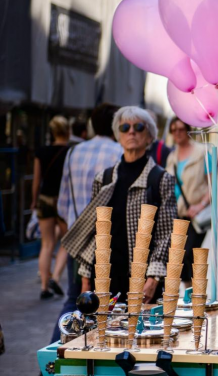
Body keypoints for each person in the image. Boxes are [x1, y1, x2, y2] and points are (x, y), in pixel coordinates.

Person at [63, 107, 177, 304]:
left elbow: (166, 235)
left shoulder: (160, 179)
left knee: (142, 334)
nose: (131, 132)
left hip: (142, 279)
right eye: (125, 127)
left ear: (149, 136)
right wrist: (85, 278)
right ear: (118, 135)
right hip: (105, 277)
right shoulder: (104, 178)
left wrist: (153, 278)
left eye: (138, 127)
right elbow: (94, 231)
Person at [52, 103, 121, 342]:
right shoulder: (119, 153)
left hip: (78, 236)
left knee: (74, 299)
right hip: (105, 239)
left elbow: (62, 202)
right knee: (107, 300)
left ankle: (55, 355)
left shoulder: (73, 152)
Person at [166, 118, 211, 288]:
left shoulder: (202, 153)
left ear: (188, 129)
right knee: (178, 255)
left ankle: (196, 293)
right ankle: (188, 294)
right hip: (177, 213)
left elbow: (213, 185)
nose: (177, 133)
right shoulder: (172, 157)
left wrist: (200, 205)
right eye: (173, 130)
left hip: (196, 215)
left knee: (190, 252)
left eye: (180, 129)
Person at [33, 116, 70, 300]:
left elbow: (37, 180)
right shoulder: (70, 152)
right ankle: (56, 277)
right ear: (67, 131)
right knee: (67, 241)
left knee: (46, 244)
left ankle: (44, 286)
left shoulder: (42, 152)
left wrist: (34, 201)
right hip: (63, 200)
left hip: (45, 198)